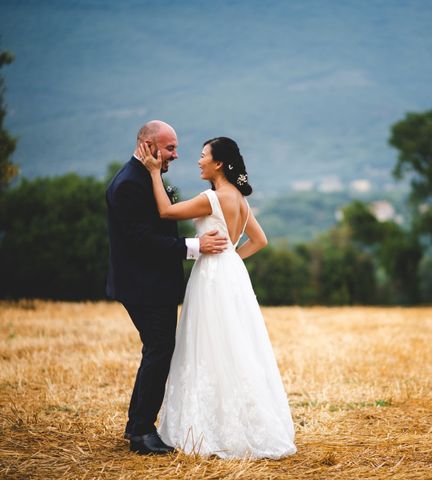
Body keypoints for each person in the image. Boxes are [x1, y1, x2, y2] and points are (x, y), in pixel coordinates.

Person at [137, 136, 296, 459]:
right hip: (232, 276)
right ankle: (244, 426)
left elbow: (166, 212)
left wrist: (154, 173)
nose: (198, 161)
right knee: (234, 345)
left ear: (218, 163)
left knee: (207, 346)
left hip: (210, 277)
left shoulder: (212, 198)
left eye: (203, 155)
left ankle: (211, 429)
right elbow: (260, 240)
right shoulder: (240, 198)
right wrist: (232, 259)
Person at [106, 120, 228, 455]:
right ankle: (141, 431)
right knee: (159, 350)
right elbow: (142, 240)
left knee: (159, 350)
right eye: (170, 147)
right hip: (142, 285)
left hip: (153, 284)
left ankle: (140, 426)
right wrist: (195, 246)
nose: (175, 154)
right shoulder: (129, 184)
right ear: (147, 145)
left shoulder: (147, 177)